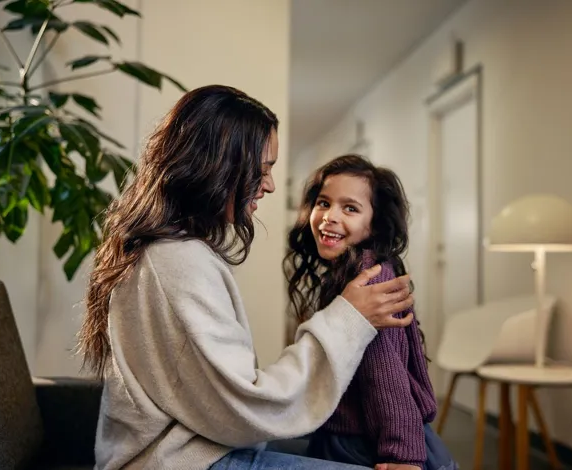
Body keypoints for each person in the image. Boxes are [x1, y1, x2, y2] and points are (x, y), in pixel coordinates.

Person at [78, 85, 415, 470]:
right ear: (220, 163)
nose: (270, 184)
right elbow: (246, 404)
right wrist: (349, 318)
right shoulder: (176, 261)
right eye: (264, 167)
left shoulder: (169, 252)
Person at [285, 155, 457, 470]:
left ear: (374, 224)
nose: (329, 217)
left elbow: (386, 374)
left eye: (350, 208)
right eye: (324, 203)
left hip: (365, 445)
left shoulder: (371, 280)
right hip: (349, 435)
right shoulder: (347, 272)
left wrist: (402, 455)